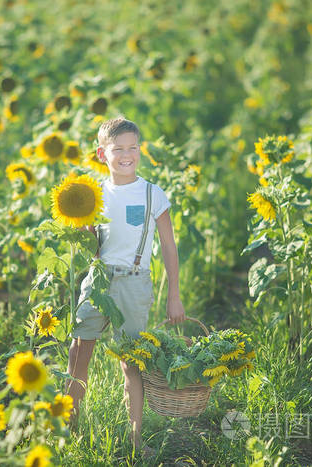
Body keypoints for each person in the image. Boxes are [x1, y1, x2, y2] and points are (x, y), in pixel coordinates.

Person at [66, 116, 186, 457]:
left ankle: (135, 440)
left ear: (139, 150)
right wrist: (80, 234)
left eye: (133, 147)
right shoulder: (94, 195)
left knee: (132, 362)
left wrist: (173, 295)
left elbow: (168, 247)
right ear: (102, 154)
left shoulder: (152, 194)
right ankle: (69, 430)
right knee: (78, 352)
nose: (127, 155)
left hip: (135, 284)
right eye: (118, 149)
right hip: (98, 281)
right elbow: (91, 244)